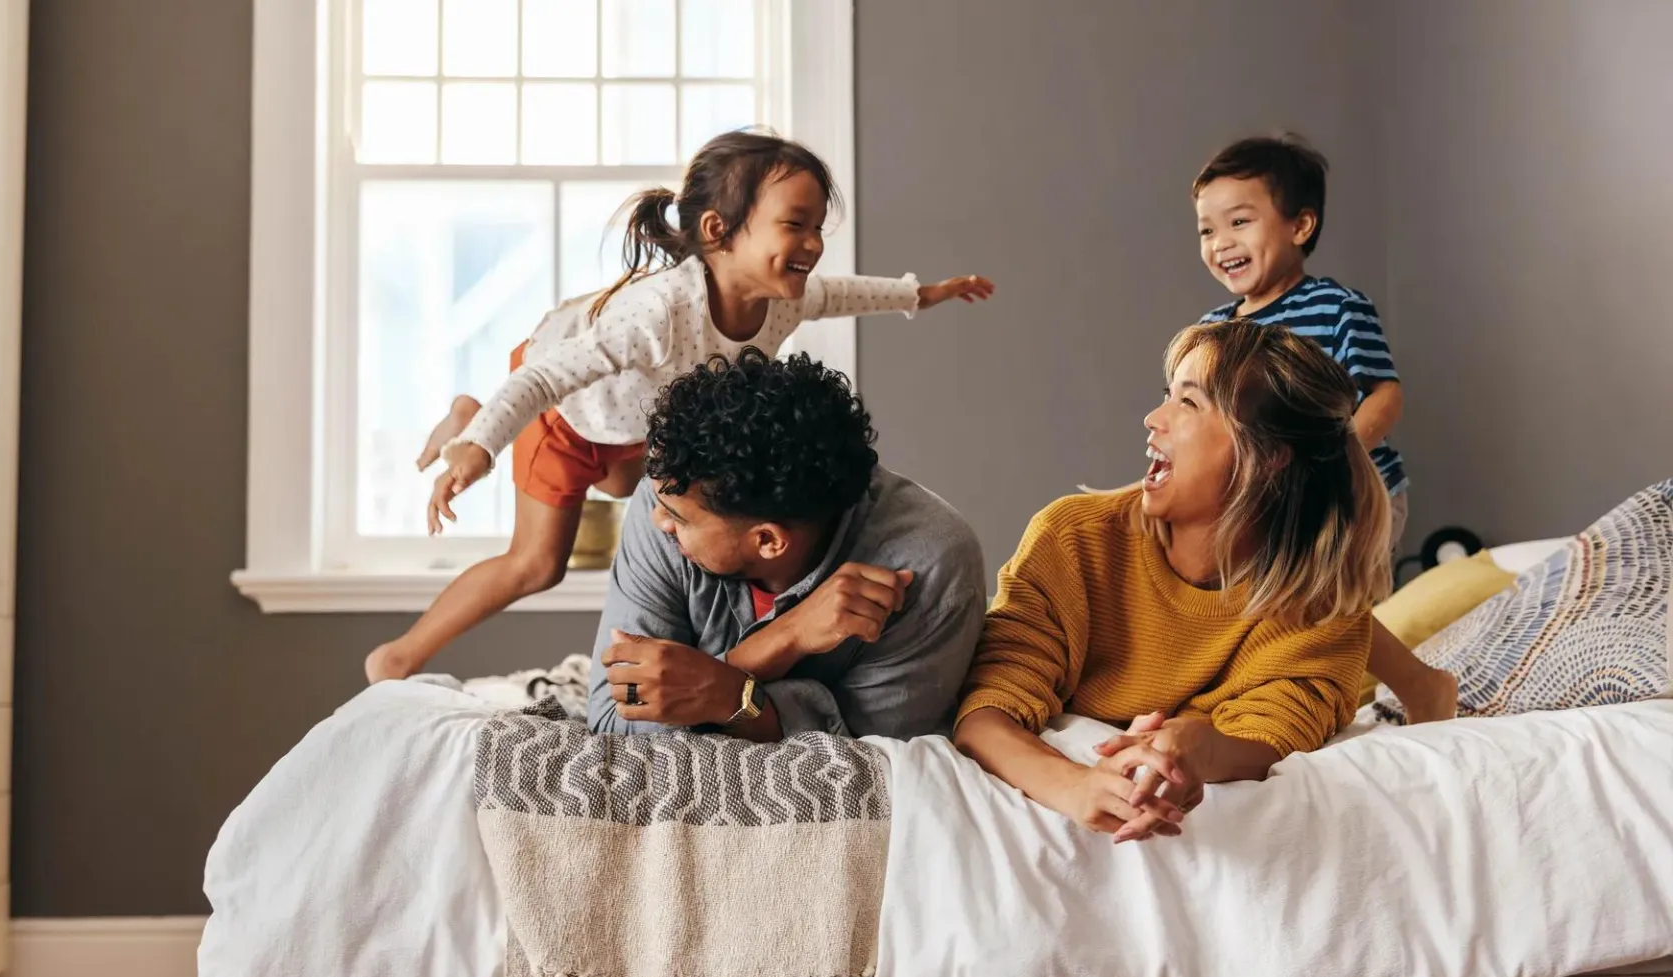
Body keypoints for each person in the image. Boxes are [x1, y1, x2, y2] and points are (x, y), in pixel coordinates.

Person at [363, 130, 994, 683]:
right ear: (720, 231)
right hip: (567, 414)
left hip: (637, 428)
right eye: (795, 224)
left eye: (818, 228)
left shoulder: (788, 296)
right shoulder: (661, 312)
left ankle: (477, 412)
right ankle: (397, 655)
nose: (814, 244)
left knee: (647, 492)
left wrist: (927, 294)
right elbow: (546, 375)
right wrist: (480, 444)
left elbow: (849, 295)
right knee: (536, 565)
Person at [954, 319, 1392, 843]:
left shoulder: (1320, 607)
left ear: (1270, 456)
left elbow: (1271, 735)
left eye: (1189, 403)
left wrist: (1195, 746)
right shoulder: (1073, 539)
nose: (1151, 418)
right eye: (1168, 395)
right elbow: (985, 714)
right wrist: (1076, 788)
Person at [1191, 133, 1458, 725]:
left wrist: (1336, 454)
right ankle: (1294, 697)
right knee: (1269, 601)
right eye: (1208, 230)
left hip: (1351, 492)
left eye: (1239, 221)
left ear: (1300, 225)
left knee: (1323, 596)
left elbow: (1384, 393)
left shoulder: (1336, 307)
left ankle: (1418, 687)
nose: (1221, 243)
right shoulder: (1213, 331)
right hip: (1266, 501)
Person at [586, 349, 987, 741]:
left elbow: (876, 763)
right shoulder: (671, 491)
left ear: (768, 541)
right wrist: (782, 641)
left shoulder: (930, 562)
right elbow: (612, 720)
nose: (659, 522)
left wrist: (723, 694)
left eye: (677, 519)